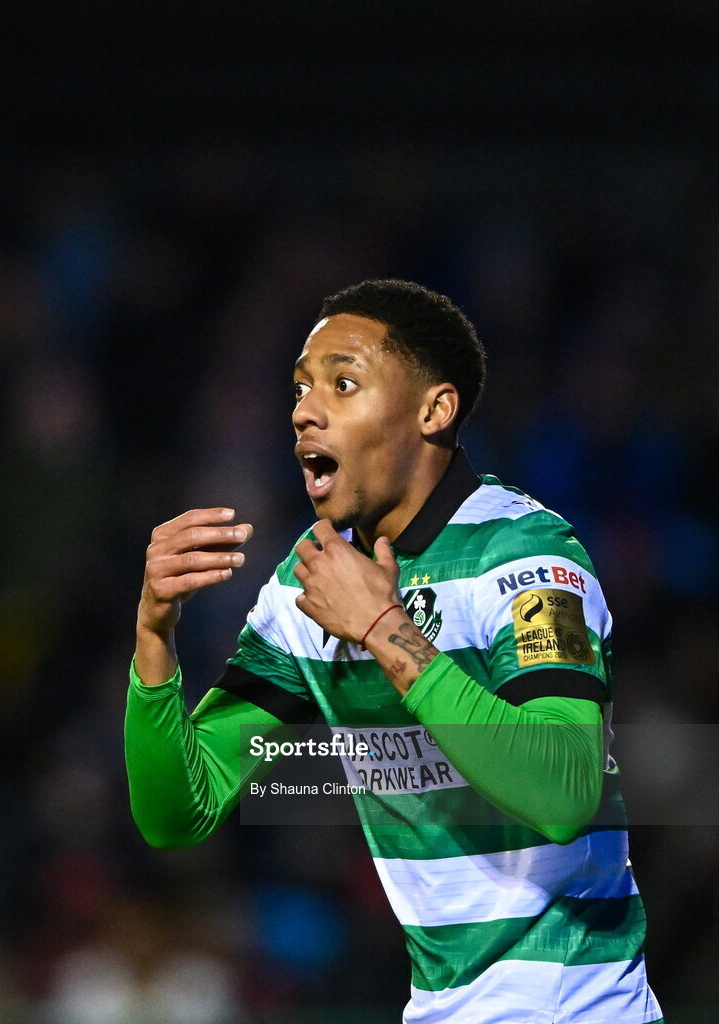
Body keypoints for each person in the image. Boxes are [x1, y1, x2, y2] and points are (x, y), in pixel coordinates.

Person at [125, 279, 663, 1023]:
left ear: (433, 410)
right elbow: (179, 812)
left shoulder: (529, 557)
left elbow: (565, 791)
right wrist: (155, 635)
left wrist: (383, 631)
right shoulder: (305, 585)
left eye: (343, 384)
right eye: (300, 389)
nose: (305, 411)